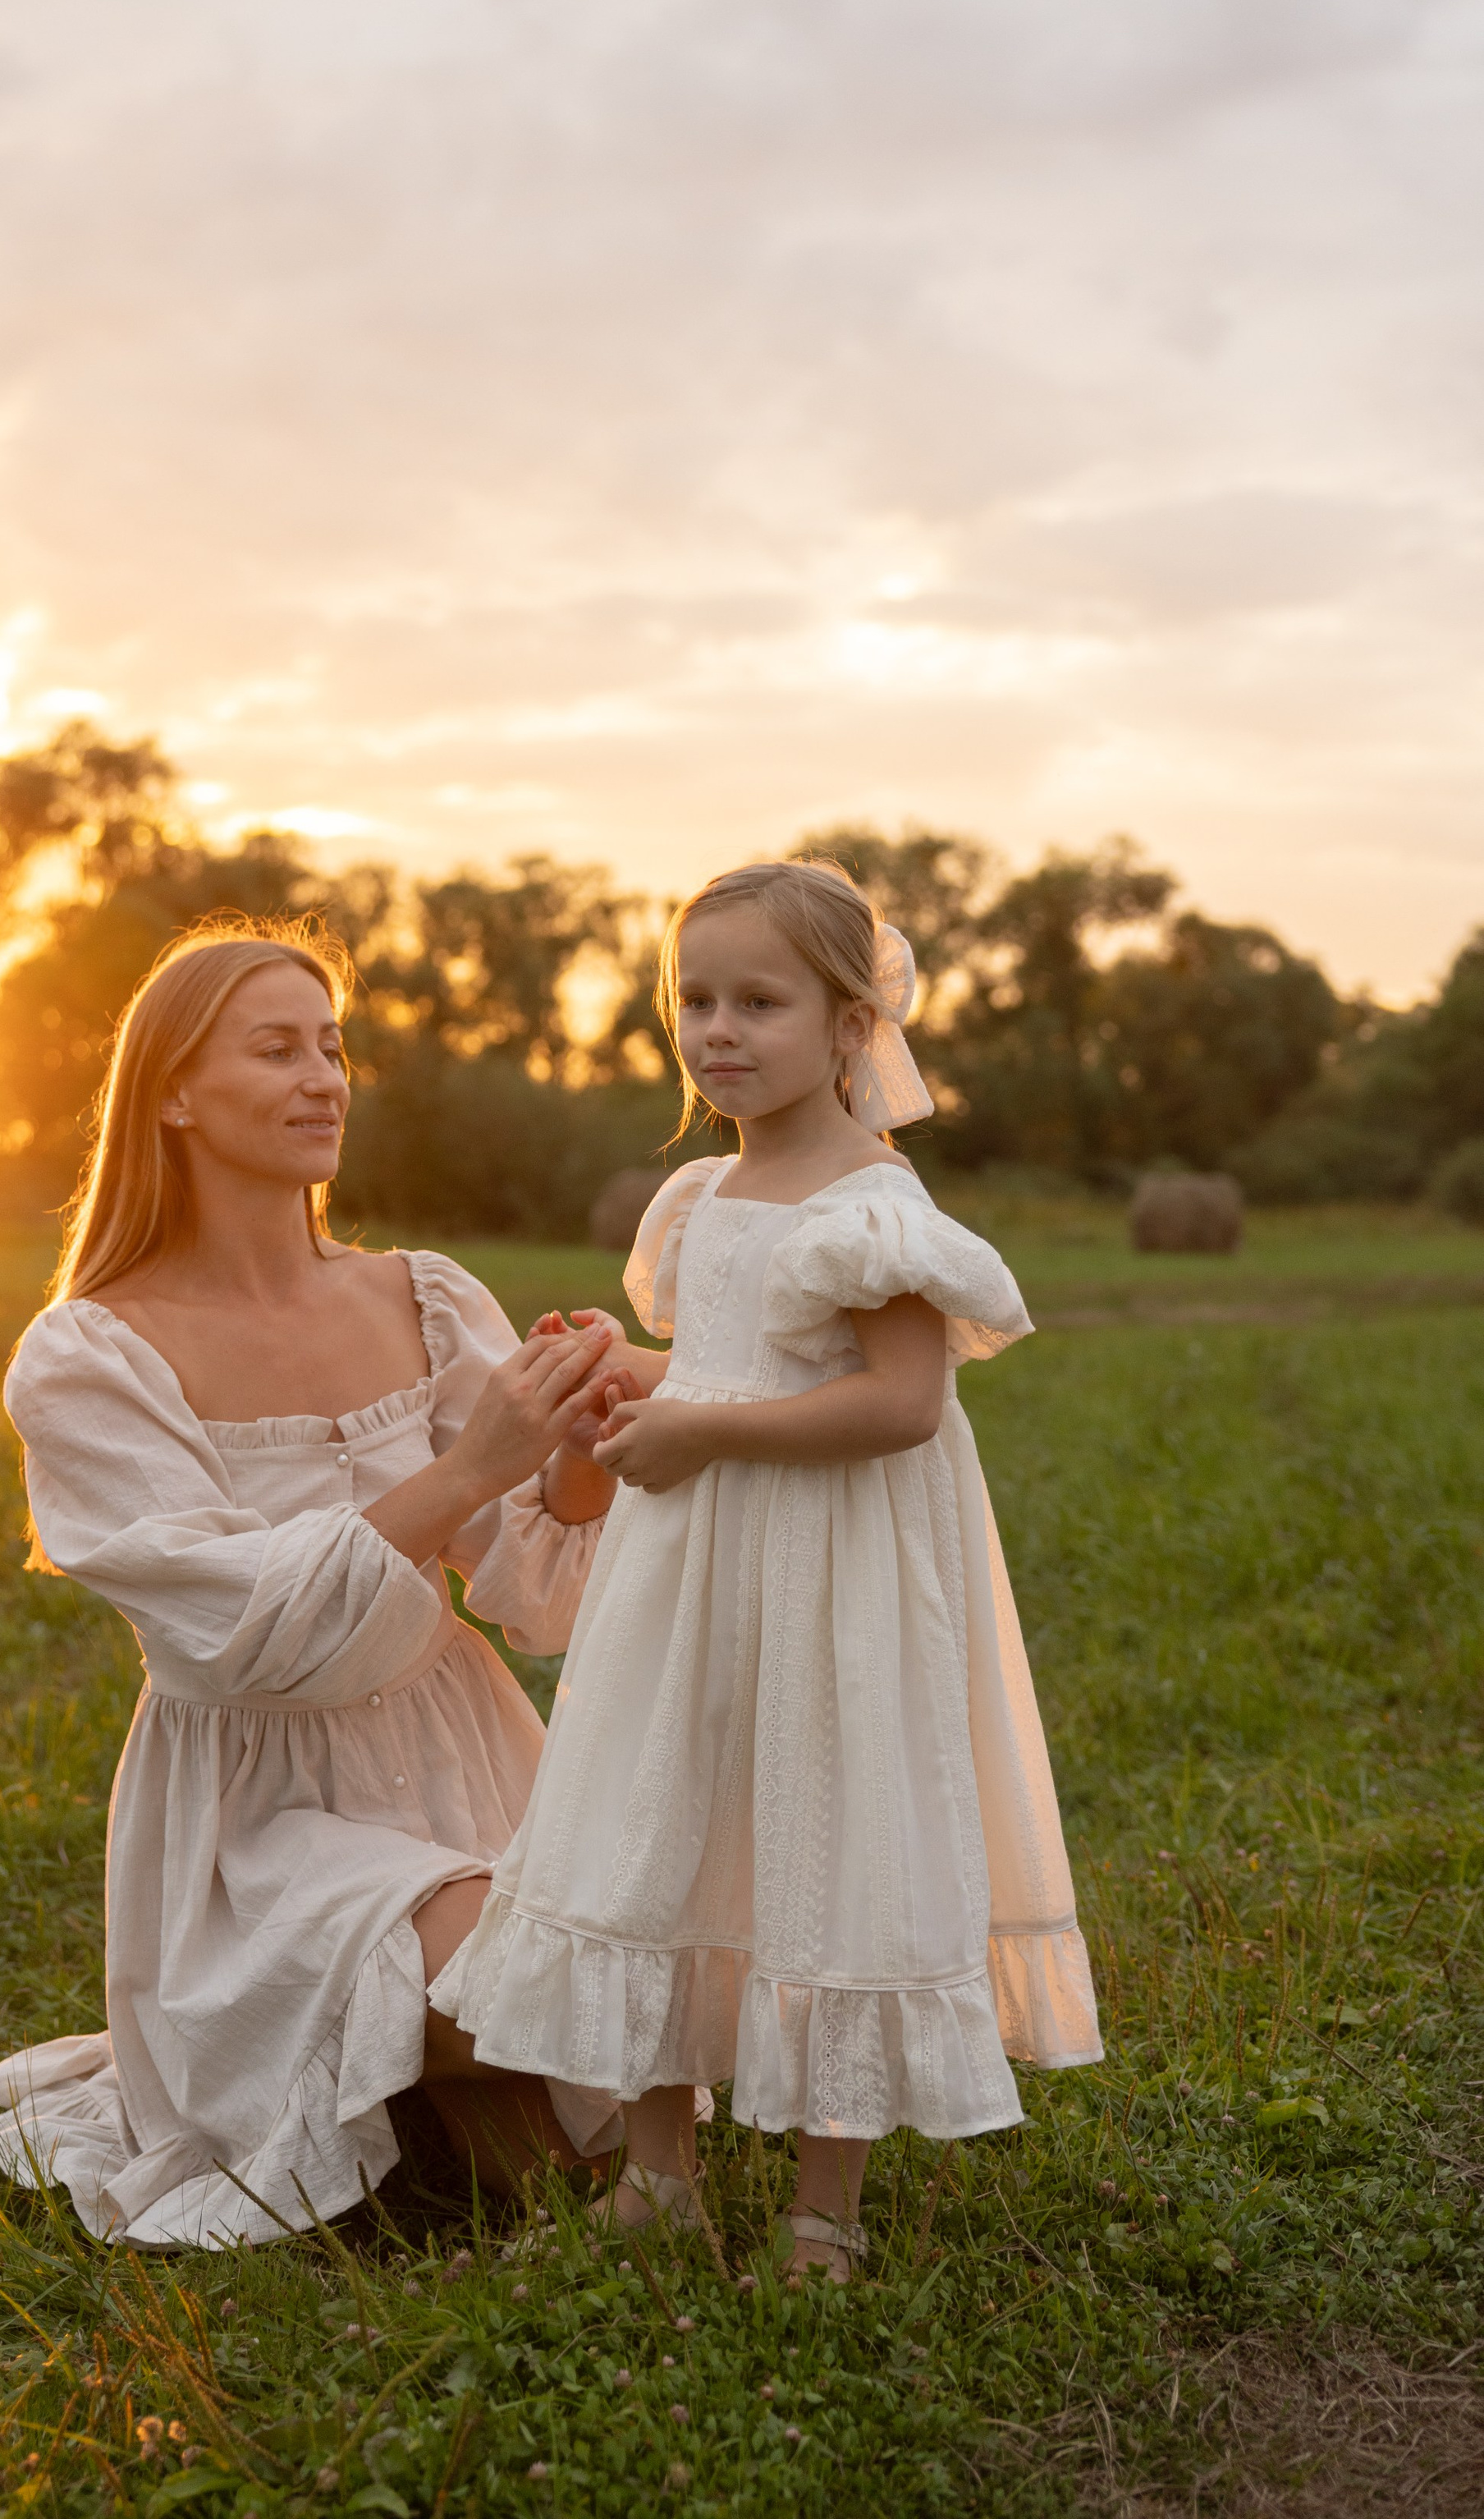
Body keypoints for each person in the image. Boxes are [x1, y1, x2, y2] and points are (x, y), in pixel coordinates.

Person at [429, 859, 1103, 2281]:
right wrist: (628, 1375)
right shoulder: (705, 1193)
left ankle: (823, 2208)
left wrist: (707, 1429)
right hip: (689, 1572)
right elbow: (733, 1368)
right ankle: (661, 2171)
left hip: (829, 1572)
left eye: (759, 1000)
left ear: (852, 1018)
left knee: (827, 1836)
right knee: (662, 1817)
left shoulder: (874, 1201)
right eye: (695, 998)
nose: (718, 1029)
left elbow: (902, 1403)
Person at [0, 918, 624, 2246]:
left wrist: (575, 1455)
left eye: (331, 1046)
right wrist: (463, 1465)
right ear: (171, 1090)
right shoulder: (90, 1354)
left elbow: (539, 1605)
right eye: (277, 1049)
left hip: (463, 1754)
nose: (325, 1077)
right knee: (545, 1984)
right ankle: (389, 2058)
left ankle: (440, 2091)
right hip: (258, 1823)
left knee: (594, 2041)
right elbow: (242, 1635)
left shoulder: (421, 1296)